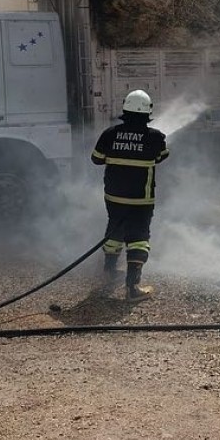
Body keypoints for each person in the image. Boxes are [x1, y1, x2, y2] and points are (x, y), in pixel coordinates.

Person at [91, 90, 170, 301]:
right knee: (138, 238)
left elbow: (96, 159)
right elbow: (162, 156)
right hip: (141, 200)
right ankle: (132, 289)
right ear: (148, 112)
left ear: (125, 109)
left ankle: (109, 270)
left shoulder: (110, 133)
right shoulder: (155, 137)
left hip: (114, 198)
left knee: (114, 229)